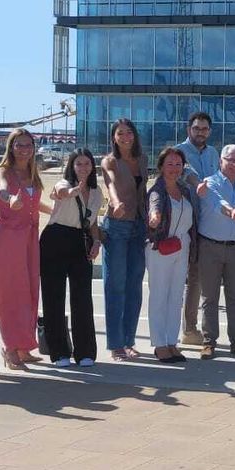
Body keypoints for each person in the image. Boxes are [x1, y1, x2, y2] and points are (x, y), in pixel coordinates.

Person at [0, 128, 51, 371]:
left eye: (28, 145)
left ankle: (24, 346)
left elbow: (34, 202)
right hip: (8, 237)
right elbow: (4, 189)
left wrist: (57, 210)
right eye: (19, 145)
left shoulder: (32, 173)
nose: (24, 149)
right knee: (10, 292)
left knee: (29, 290)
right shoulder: (3, 171)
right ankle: (10, 347)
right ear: (11, 147)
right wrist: (9, 199)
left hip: (29, 236)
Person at [40, 148, 101, 368]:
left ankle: (85, 352)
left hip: (80, 240)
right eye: (78, 164)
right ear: (71, 166)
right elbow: (60, 193)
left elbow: (92, 221)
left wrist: (96, 241)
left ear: (93, 166)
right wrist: (74, 190)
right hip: (55, 238)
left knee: (82, 297)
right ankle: (59, 352)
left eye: (87, 163)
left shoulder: (96, 192)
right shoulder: (63, 183)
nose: (83, 168)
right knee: (53, 296)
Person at [195, 144, 235, 359]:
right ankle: (209, 342)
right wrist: (231, 212)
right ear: (221, 161)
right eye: (231, 160)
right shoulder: (210, 182)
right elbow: (216, 203)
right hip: (210, 247)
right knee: (209, 297)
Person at [100, 119, 147, 361]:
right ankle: (116, 344)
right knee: (115, 286)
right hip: (116, 226)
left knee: (134, 286)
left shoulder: (142, 159)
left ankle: (129, 341)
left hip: (139, 226)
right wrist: (116, 202)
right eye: (120, 133)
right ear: (114, 137)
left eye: (129, 132)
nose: (126, 137)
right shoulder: (109, 161)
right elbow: (110, 184)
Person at [146, 147, 196, 363]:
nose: (174, 168)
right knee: (159, 295)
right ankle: (159, 344)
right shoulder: (156, 191)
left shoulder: (184, 190)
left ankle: (171, 342)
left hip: (182, 246)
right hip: (161, 247)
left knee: (176, 296)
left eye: (178, 164)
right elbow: (154, 206)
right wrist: (154, 217)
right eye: (170, 164)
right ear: (161, 167)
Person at [175, 112, 219, 349]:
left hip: (208, 223)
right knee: (180, 278)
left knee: (198, 278)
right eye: (196, 128)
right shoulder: (178, 152)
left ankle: (192, 329)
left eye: (204, 129)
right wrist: (198, 184)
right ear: (188, 129)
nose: (200, 132)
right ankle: (181, 330)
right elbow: (186, 172)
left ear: (209, 131)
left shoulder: (213, 153)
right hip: (184, 224)